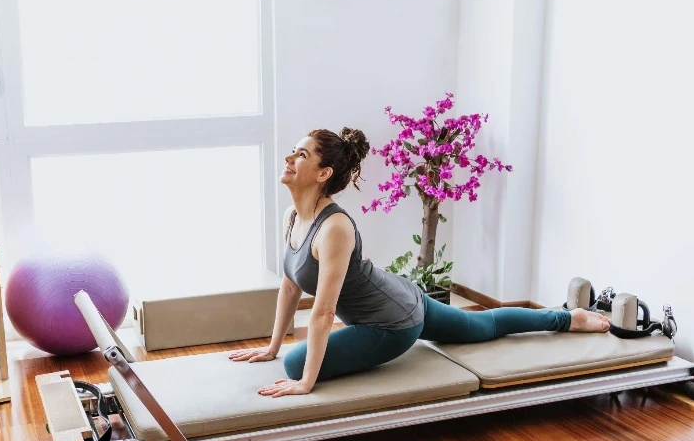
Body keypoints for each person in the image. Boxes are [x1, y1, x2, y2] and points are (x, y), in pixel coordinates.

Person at [229, 127, 610, 398]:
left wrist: (306, 382)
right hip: (400, 293)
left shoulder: (336, 228)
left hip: (392, 322)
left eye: (302, 154)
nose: (289, 158)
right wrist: (271, 347)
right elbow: (291, 285)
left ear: (323, 174)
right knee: (482, 325)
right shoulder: (292, 218)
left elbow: (324, 313)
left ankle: (566, 319)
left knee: (297, 365)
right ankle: (569, 317)